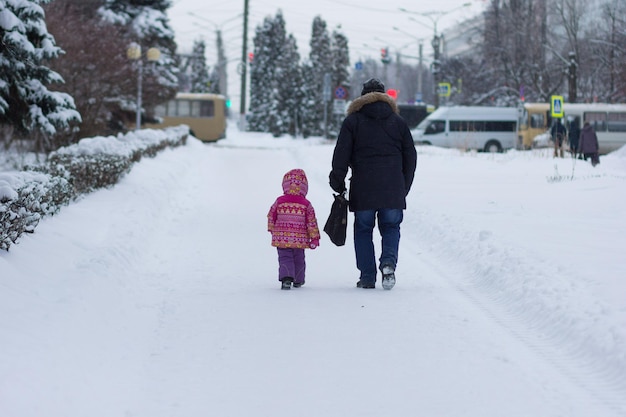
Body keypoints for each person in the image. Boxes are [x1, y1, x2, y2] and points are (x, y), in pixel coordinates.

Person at [329, 78, 417, 290]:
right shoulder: (399, 123)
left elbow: (342, 154)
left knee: (363, 229)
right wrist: (403, 186)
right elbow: (410, 158)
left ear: (362, 97)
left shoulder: (353, 122)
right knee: (390, 227)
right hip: (393, 188)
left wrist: (337, 181)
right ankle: (388, 263)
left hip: (364, 187)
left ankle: (367, 276)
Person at [267, 168, 320, 290]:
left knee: (285, 257)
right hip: (299, 239)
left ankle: (286, 278)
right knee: (299, 258)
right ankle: (298, 279)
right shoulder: (306, 204)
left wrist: (272, 228)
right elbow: (311, 222)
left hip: (282, 237)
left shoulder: (279, 201)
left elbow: (271, 214)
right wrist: (314, 238)